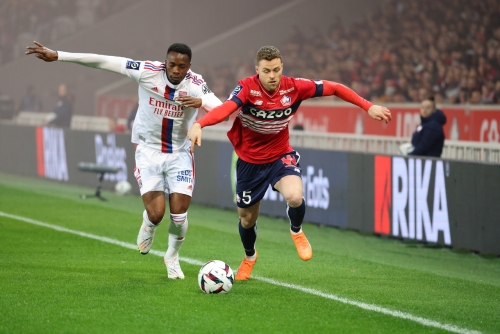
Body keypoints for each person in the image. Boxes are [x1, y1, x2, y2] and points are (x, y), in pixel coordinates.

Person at [188, 46, 392, 280]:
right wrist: (199, 124)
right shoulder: (246, 88)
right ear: (257, 70)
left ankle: (296, 230)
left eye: (276, 70)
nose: (272, 75)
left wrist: (368, 106)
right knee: (246, 219)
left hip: (279, 155)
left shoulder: (295, 87)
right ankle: (250, 256)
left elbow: (334, 87)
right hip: (249, 162)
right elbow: (226, 109)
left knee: (295, 196)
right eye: (266, 71)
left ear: (282, 67)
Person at [26, 41, 222, 279]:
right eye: (172, 64)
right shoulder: (147, 71)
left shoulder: (196, 84)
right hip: (148, 151)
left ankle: (171, 256)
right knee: (157, 213)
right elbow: (103, 60)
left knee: (179, 216)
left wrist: (202, 106)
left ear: (189, 66)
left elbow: (222, 109)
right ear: (165, 62)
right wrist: (58, 55)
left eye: (182, 66)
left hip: (179, 153)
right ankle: (149, 224)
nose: (176, 70)